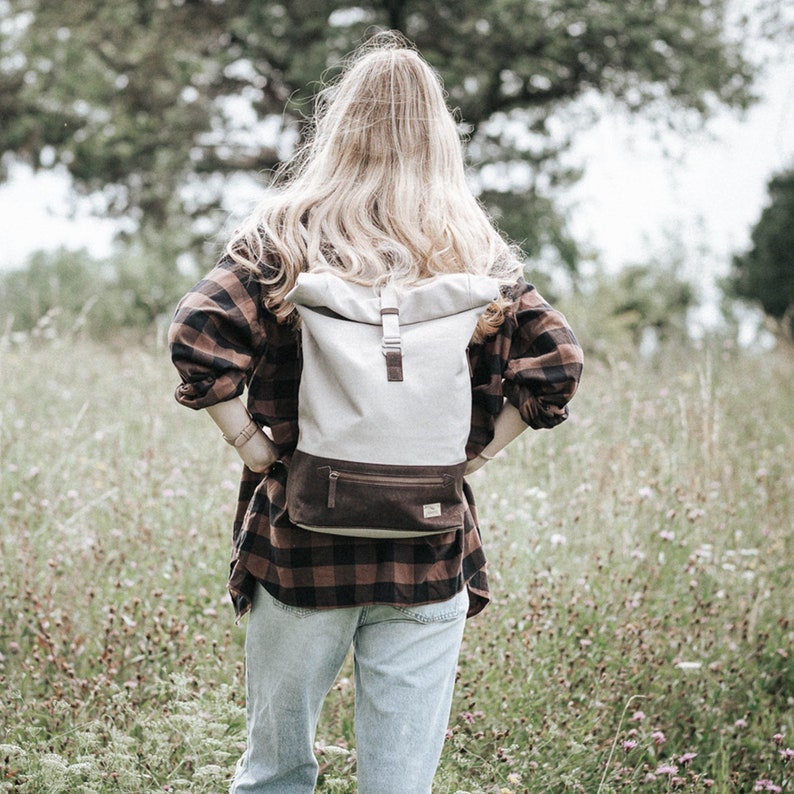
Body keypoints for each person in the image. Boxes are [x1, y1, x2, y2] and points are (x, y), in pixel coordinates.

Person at [169, 32, 583, 794]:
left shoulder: (282, 236)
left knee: (275, 773)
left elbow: (198, 333)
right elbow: (556, 360)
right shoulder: (473, 251)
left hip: (300, 541)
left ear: (339, 127)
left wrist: (254, 450)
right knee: (399, 785)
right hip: (427, 546)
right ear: (439, 135)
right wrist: (475, 459)